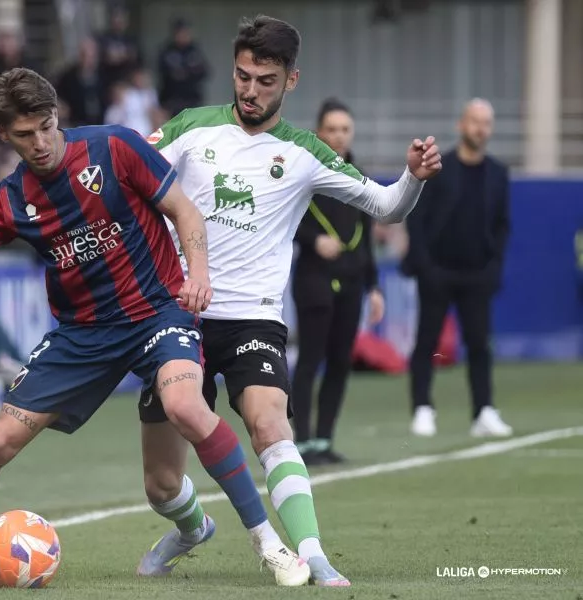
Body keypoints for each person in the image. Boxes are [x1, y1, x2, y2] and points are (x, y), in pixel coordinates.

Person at [0, 67, 277, 588]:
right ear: (3, 135)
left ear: (56, 116)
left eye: (47, 126)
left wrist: (198, 274)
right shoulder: (11, 199)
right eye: (25, 135)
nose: (41, 142)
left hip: (158, 312)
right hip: (82, 336)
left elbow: (185, 211)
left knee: (185, 404)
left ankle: (269, 544)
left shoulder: (115, 147)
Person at [137, 15, 442, 587]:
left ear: (291, 81)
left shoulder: (304, 153)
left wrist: (414, 176)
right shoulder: (190, 128)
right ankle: (191, 527)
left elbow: (387, 207)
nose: (250, 91)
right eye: (243, 76)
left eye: (266, 80)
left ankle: (312, 553)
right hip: (180, 316)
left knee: (269, 422)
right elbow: (130, 168)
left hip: (254, 316)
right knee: (159, 483)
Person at [400, 98, 512, 438]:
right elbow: (416, 220)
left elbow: (502, 224)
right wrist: (425, 266)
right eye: (474, 121)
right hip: (438, 272)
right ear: (461, 125)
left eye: (486, 123)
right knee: (427, 341)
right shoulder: (439, 168)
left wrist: (494, 266)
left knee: (480, 344)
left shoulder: (498, 173)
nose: (480, 128)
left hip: (477, 273)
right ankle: (422, 409)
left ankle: (484, 411)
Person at [290, 98, 385, 464]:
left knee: (341, 362)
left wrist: (374, 287)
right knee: (311, 359)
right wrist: (315, 240)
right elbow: (284, 221)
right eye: (331, 129)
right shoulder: (303, 174)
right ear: (319, 132)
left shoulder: (359, 177)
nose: (339, 136)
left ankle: (324, 441)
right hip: (314, 279)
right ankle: (301, 441)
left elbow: (367, 233)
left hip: (352, 281)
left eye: (345, 129)